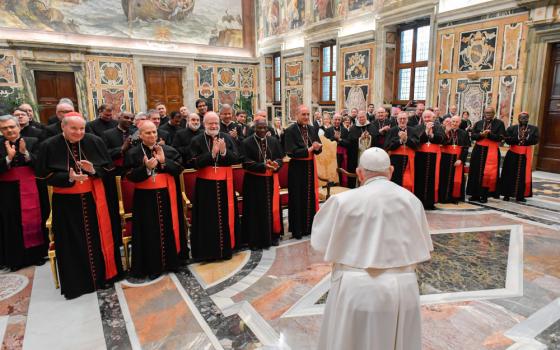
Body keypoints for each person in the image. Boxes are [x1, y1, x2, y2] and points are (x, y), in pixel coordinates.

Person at [311, 147, 433, 350]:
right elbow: (424, 244)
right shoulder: (412, 201)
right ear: (391, 171)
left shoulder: (342, 201)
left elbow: (319, 243)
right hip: (404, 289)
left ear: (359, 173)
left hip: (356, 289)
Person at [37, 113, 122, 299]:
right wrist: (68, 178)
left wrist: (93, 170)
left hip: (94, 200)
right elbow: (42, 178)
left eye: (82, 128)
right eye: (73, 128)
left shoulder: (95, 141)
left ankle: (103, 277)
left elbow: (108, 169)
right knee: (71, 243)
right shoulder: (48, 146)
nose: (78, 132)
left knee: (98, 237)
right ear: (63, 127)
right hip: (67, 205)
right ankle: (78, 283)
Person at [124, 121, 185, 278]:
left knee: (169, 227)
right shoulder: (133, 153)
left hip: (167, 196)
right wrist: (146, 169)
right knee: (149, 231)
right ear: (140, 135)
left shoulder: (169, 150)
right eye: (147, 133)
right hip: (145, 200)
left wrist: (164, 162)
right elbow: (130, 176)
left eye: (153, 132)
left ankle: (172, 262)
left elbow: (179, 169)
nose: (151, 135)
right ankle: (152, 266)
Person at [190, 112, 240, 261]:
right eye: (210, 123)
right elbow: (192, 163)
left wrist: (224, 152)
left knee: (227, 216)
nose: (214, 126)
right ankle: (208, 252)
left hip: (225, 184)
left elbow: (236, 158)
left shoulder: (228, 138)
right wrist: (211, 154)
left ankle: (227, 249)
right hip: (206, 187)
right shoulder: (196, 140)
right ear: (204, 124)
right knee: (207, 218)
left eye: (216, 123)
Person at [0, 115, 46, 270]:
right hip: (7, 191)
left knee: (33, 220)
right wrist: (8, 158)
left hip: (31, 187)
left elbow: (41, 163)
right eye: (5, 128)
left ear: (18, 127)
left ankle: (36, 255)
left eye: (12, 126)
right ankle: (15, 259)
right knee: (11, 222)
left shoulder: (32, 141)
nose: (9, 130)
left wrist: (26, 154)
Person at [241, 118, 284, 249]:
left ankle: (273, 236)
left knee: (272, 209)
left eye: (264, 128)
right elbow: (245, 161)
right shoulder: (246, 142)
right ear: (254, 128)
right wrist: (262, 166)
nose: (262, 130)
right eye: (259, 128)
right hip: (253, 183)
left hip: (270, 181)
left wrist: (276, 164)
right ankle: (254, 240)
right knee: (255, 211)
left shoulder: (273, 141)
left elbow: (279, 157)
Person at [284, 105, 322, 239]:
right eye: (303, 114)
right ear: (297, 115)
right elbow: (291, 152)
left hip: (310, 167)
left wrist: (317, 148)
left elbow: (319, 148)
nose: (306, 117)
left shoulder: (312, 129)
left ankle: (309, 226)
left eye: (307, 114)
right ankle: (297, 230)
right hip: (297, 169)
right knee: (297, 198)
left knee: (309, 196)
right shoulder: (290, 131)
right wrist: (311, 149)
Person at [466, 107, 506, 203]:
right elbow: (473, 136)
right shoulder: (479, 123)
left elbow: (500, 138)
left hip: (491, 151)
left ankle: (484, 195)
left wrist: (489, 135)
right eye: (486, 113)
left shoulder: (499, 124)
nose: (488, 114)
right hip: (478, 150)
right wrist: (481, 135)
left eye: (490, 113)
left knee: (487, 174)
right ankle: (474, 194)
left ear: (494, 113)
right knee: (475, 171)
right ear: (484, 113)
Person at [500, 112, 539, 202]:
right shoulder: (511, 128)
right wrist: (518, 138)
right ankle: (507, 194)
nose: (523, 120)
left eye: (525, 118)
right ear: (518, 119)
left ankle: (520, 196)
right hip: (512, 154)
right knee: (509, 174)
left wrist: (527, 137)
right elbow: (507, 140)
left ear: (528, 118)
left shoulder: (534, 129)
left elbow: (535, 141)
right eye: (521, 118)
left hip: (525, 155)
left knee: (523, 175)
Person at [413, 110, 445, 209]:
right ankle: (419, 200)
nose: (427, 119)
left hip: (434, 157)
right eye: (425, 117)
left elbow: (442, 139)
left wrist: (432, 135)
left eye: (429, 117)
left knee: (432, 178)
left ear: (433, 118)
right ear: (422, 118)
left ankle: (430, 202)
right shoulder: (418, 127)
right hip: (420, 157)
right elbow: (416, 140)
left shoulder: (438, 127)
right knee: (420, 178)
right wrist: (426, 132)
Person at [384, 111, 419, 192]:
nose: (402, 120)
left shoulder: (413, 130)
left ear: (407, 120)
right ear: (397, 120)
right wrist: (400, 141)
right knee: (395, 181)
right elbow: (387, 146)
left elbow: (417, 145)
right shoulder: (392, 130)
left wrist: (406, 140)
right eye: (400, 119)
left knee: (407, 182)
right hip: (395, 161)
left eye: (404, 118)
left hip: (409, 161)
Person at [439, 116, 470, 203]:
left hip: (457, 158)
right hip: (445, 158)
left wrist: (461, 159)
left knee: (455, 179)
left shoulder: (464, 133)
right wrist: (446, 131)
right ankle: (443, 197)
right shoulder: (444, 131)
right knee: (443, 178)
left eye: (457, 122)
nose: (454, 123)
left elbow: (465, 148)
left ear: (460, 123)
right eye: (453, 121)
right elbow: (442, 143)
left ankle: (454, 198)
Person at [348, 111, 377, 187]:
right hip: (358, 154)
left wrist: (369, 137)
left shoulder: (372, 126)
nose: (361, 119)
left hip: (370, 154)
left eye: (362, 117)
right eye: (359, 117)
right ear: (357, 118)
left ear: (366, 117)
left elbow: (376, 137)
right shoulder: (353, 128)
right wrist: (360, 138)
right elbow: (350, 141)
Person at [325, 113, 350, 186]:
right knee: (332, 170)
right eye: (335, 119)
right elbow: (326, 143)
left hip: (342, 155)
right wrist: (334, 138)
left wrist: (340, 139)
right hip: (331, 155)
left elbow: (348, 143)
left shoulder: (345, 130)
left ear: (341, 120)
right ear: (333, 120)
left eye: (339, 119)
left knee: (341, 170)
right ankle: (332, 185)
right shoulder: (328, 130)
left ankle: (341, 185)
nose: (337, 121)